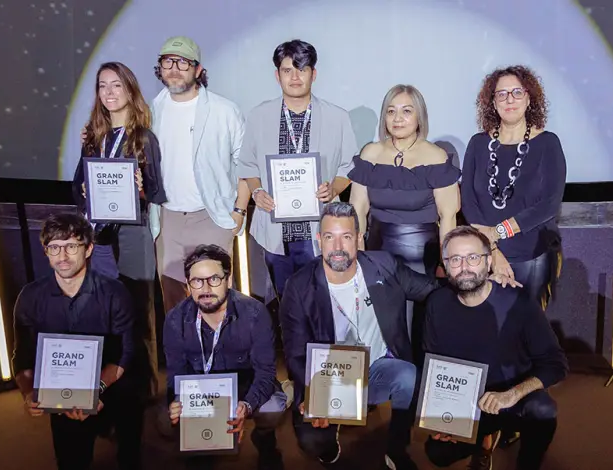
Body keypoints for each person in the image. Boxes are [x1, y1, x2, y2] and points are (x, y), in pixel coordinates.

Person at [278, 202, 517, 469]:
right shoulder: (298, 286)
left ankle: (396, 448)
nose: (338, 247)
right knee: (313, 442)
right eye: (329, 237)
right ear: (318, 240)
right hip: (330, 377)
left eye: (346, 237)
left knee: (409, 377)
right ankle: (329, 446)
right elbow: (295, 353)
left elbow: (431, 289)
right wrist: (314, 394)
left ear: (359, 238)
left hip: (380, 367)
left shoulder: (383, 265)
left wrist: (479, 285)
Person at [423, 225, 568, 470]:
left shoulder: (518, 302)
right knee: (439, 452)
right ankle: (484, 442)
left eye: (473, 257)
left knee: (542, 410)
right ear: (445, 266)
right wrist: (441, 417)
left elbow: (556, 364)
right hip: (468, 402)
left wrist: (512, 395)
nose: (465, 267)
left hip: (513, 399)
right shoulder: (437, 304)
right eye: (455, 259)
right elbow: (434, 364)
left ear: (488, 261)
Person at [11, 214, 144, 470]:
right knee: (70, 461)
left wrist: (94, 391)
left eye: (71, 246)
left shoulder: (115, 293)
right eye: (54, 247)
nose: (62, 256)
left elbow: (126, 352)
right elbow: (23, 355)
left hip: (112, 383)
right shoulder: (30, 297)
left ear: (89, 249)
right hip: (62, 390)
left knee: (130, 435)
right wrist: (29, 393)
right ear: (45, 251)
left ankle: (128, 452)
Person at [72, 61, 167, 397]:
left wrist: (140, 189)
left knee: (139, 314)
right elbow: (77, 186)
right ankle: (112, 388)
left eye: (116, 85)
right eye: (102, 85)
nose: (109, 92)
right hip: (98, 237)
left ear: (130, 90)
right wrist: (85, 189)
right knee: (104, 314)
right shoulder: (93, 137)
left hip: (133, 234)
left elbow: (156, 192)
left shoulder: (143, 138)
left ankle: (146, 391)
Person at [239, 39, 358, 300]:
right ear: (277, 75)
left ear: (313, 74)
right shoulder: (259, 116)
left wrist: (333, 188)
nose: (294, 77)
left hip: (319, 228)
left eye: (301, 69)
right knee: (286, 303)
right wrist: (257, 192)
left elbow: (349, 167)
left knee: (322, 302)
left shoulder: (337, 117)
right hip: (274, 229)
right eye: (287, 70)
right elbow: (247, 164)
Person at [349, 84, 461, 341]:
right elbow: (358, 209)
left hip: (421, 259)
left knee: (416, 328)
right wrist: (358, 254)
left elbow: (448, 217)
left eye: (406, 111)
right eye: (391, 111)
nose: (397, 118)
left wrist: (447, 263)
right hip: (377, 253)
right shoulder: (371, 153)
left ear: (419, 116)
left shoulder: (436, 156)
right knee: (380, 327)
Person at [150, 36, 251, 314]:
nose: (174, 68)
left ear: (197, 69)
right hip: (168, 219)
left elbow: (247, 165)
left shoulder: (224, 111)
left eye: (183, 62)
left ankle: (219, 345)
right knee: (174, 303)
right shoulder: (151, 111)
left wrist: (239, 211)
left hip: (212, 217)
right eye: (168, 62)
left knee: (215, 301)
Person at [164, 245, 288, 470]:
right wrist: (177, 401)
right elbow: (176, 372)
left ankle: (265, 439)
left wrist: (247, 405)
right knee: (164, 421)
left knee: (273, 406)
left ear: (228, 281)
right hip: (200, 392)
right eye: (197, 281)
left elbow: (265, 372)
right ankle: (201, 445)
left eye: (214, 279)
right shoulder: (175, 320)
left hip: (245, 384)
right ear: (188, 285)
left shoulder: (254, 313)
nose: (206, 289)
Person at [460, 65, 567, 310]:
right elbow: (469, 202)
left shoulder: (548, 143)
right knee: (486, 326)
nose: (509, 100)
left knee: (527, 326)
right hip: (485, 256)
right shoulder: (477, 144)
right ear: (492, 102)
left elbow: (549, 204)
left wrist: (498, 232)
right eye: (502, 94)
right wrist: (492, 248)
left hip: (532, 255)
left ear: (529, 99)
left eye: (517, 93)